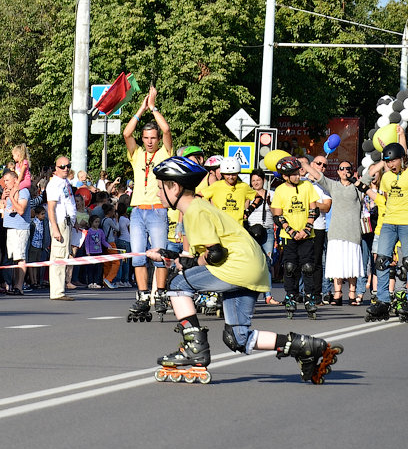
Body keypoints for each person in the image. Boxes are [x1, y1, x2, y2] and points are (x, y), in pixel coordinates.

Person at [142, 157, 341, 384]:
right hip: (250, 266)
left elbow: (214, 254)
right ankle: (305, 346)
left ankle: (193, 346)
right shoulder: (199, 207)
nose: (157, 194)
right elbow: (206, 255)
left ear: (174, 187)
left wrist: (185, 264)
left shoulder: (194, 211)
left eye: (160, 188)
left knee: (177, 284)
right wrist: (173, 257)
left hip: (237, 266)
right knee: (237, 338)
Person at [121, 85, 174, 314]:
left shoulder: (163, 153)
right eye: (147, 138)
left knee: (159, 256)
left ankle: (160, 293)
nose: (150, 141)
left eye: (153, 138)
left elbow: (166, 129)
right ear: (142, 139)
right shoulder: (137, 154)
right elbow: (126, 133)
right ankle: (143, 296)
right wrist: (140, 110)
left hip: (157, 210)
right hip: (138, 212)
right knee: (138, 257)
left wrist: (153, 108)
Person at [302, 156, 365, 306]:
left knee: (352, 263)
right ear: (337, 172)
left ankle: (352, 293)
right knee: (337, 263)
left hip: (352, 231)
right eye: (341, 169)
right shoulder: (333, 185)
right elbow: (319, 176)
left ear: (352, 172)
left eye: (347, 169)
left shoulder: (357, 186)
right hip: (336, 231)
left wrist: (384, 159)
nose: (344, 171)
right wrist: (304, 164)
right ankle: (337, 294)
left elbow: (370, 174)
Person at [270, 156, 321, 316]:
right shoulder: (280, 190)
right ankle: (291, 296)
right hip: (289, 236)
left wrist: (305, 230)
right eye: (294, 174)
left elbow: (314, 210)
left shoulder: (307, 186)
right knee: (290, 267)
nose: (298, 176)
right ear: (285, 176)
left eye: (298, 173)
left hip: (307, 235)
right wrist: (292, 231)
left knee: (308, 267)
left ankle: (309, 297)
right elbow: (278, 216)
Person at [366, 141, 408, 321]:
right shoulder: (386, 177)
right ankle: (383, 301)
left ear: (402, 159)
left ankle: (404, 299)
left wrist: (400, 137)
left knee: (406, 264)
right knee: (381, 261)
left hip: (406, 223)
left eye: (393, 161)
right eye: (387, 162)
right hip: (389, 223)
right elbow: (383, 199)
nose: (390, 165)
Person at [46, 156, 77, 300]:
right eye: (62, 166)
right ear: (56, 168)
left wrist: (75, 221)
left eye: (68, 166)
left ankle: (61, 289)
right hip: (59, 223)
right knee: (58, 256)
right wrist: (55, 228)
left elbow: (69, 203)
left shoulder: (66, 183)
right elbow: (51, 208)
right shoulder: (54, 185)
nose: (66, 169)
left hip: (68, 222)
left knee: (64, 255)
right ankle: (57, 292)